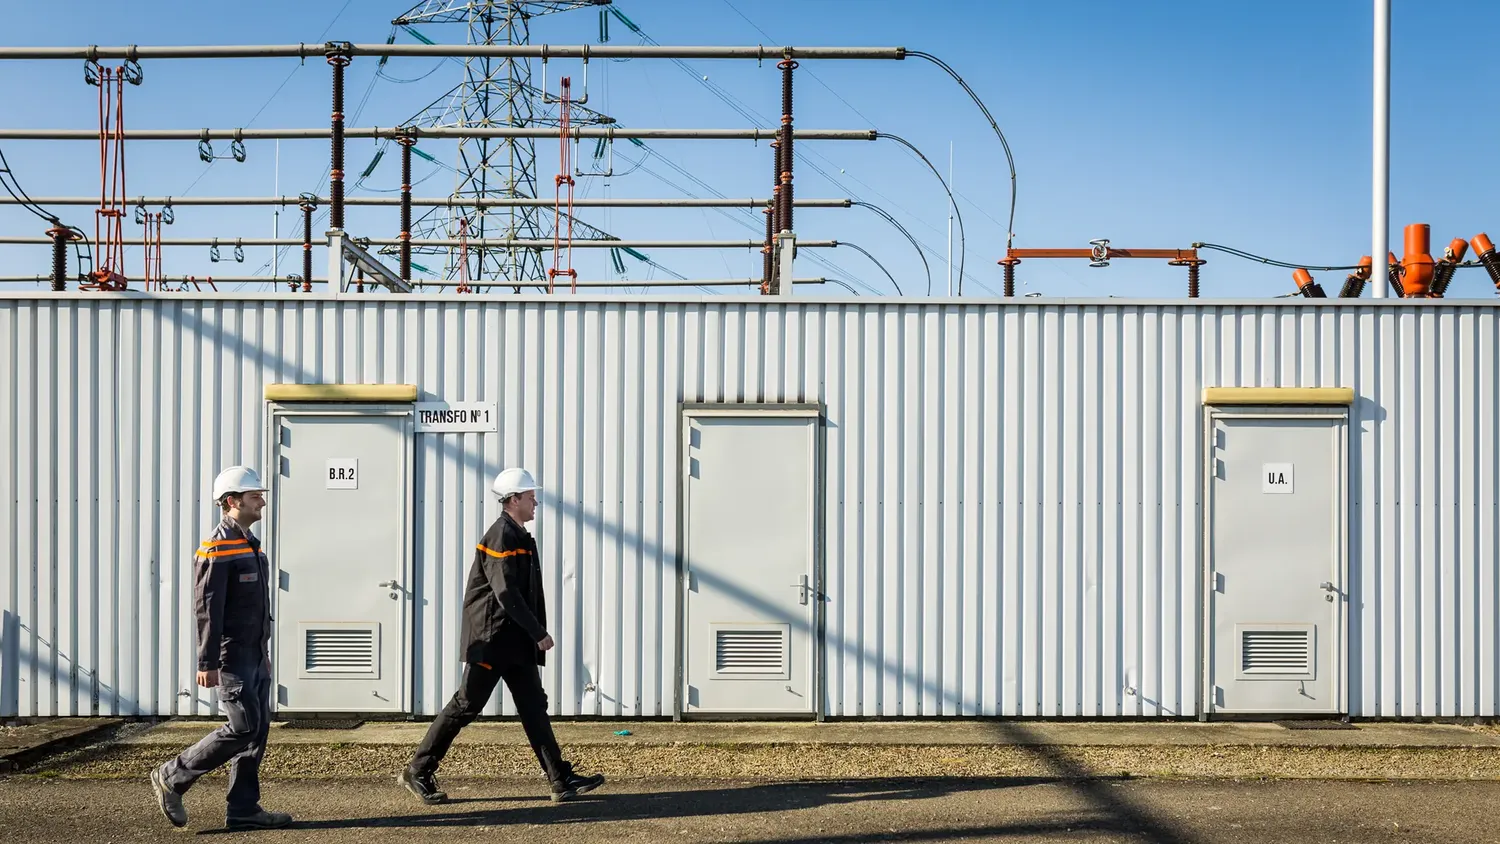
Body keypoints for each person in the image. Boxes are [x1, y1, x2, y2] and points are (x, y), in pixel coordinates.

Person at [399, 467, 605, 805]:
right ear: (514, 500)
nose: (535, 501)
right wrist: (538, 632)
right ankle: (418, 771)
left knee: (533, 707)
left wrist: (530, 634)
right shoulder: (501, 536)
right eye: (530, 496)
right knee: (466, 705)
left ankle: (560, 778)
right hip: (492, 640)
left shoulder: (518, 534)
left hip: (512, 642)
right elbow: (506, 592)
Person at [149, 466, 292, 831]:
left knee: (257, 730)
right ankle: (172, 775)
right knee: (242, 727)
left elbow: (255, 608)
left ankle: (243, 808)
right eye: (254, 496)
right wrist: (207, 661)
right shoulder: (216, 547)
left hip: (255, 655)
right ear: (232, 502)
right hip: (232, 657)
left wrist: (265, 654)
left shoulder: (249, 542)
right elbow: (207, 609)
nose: (261, 501)